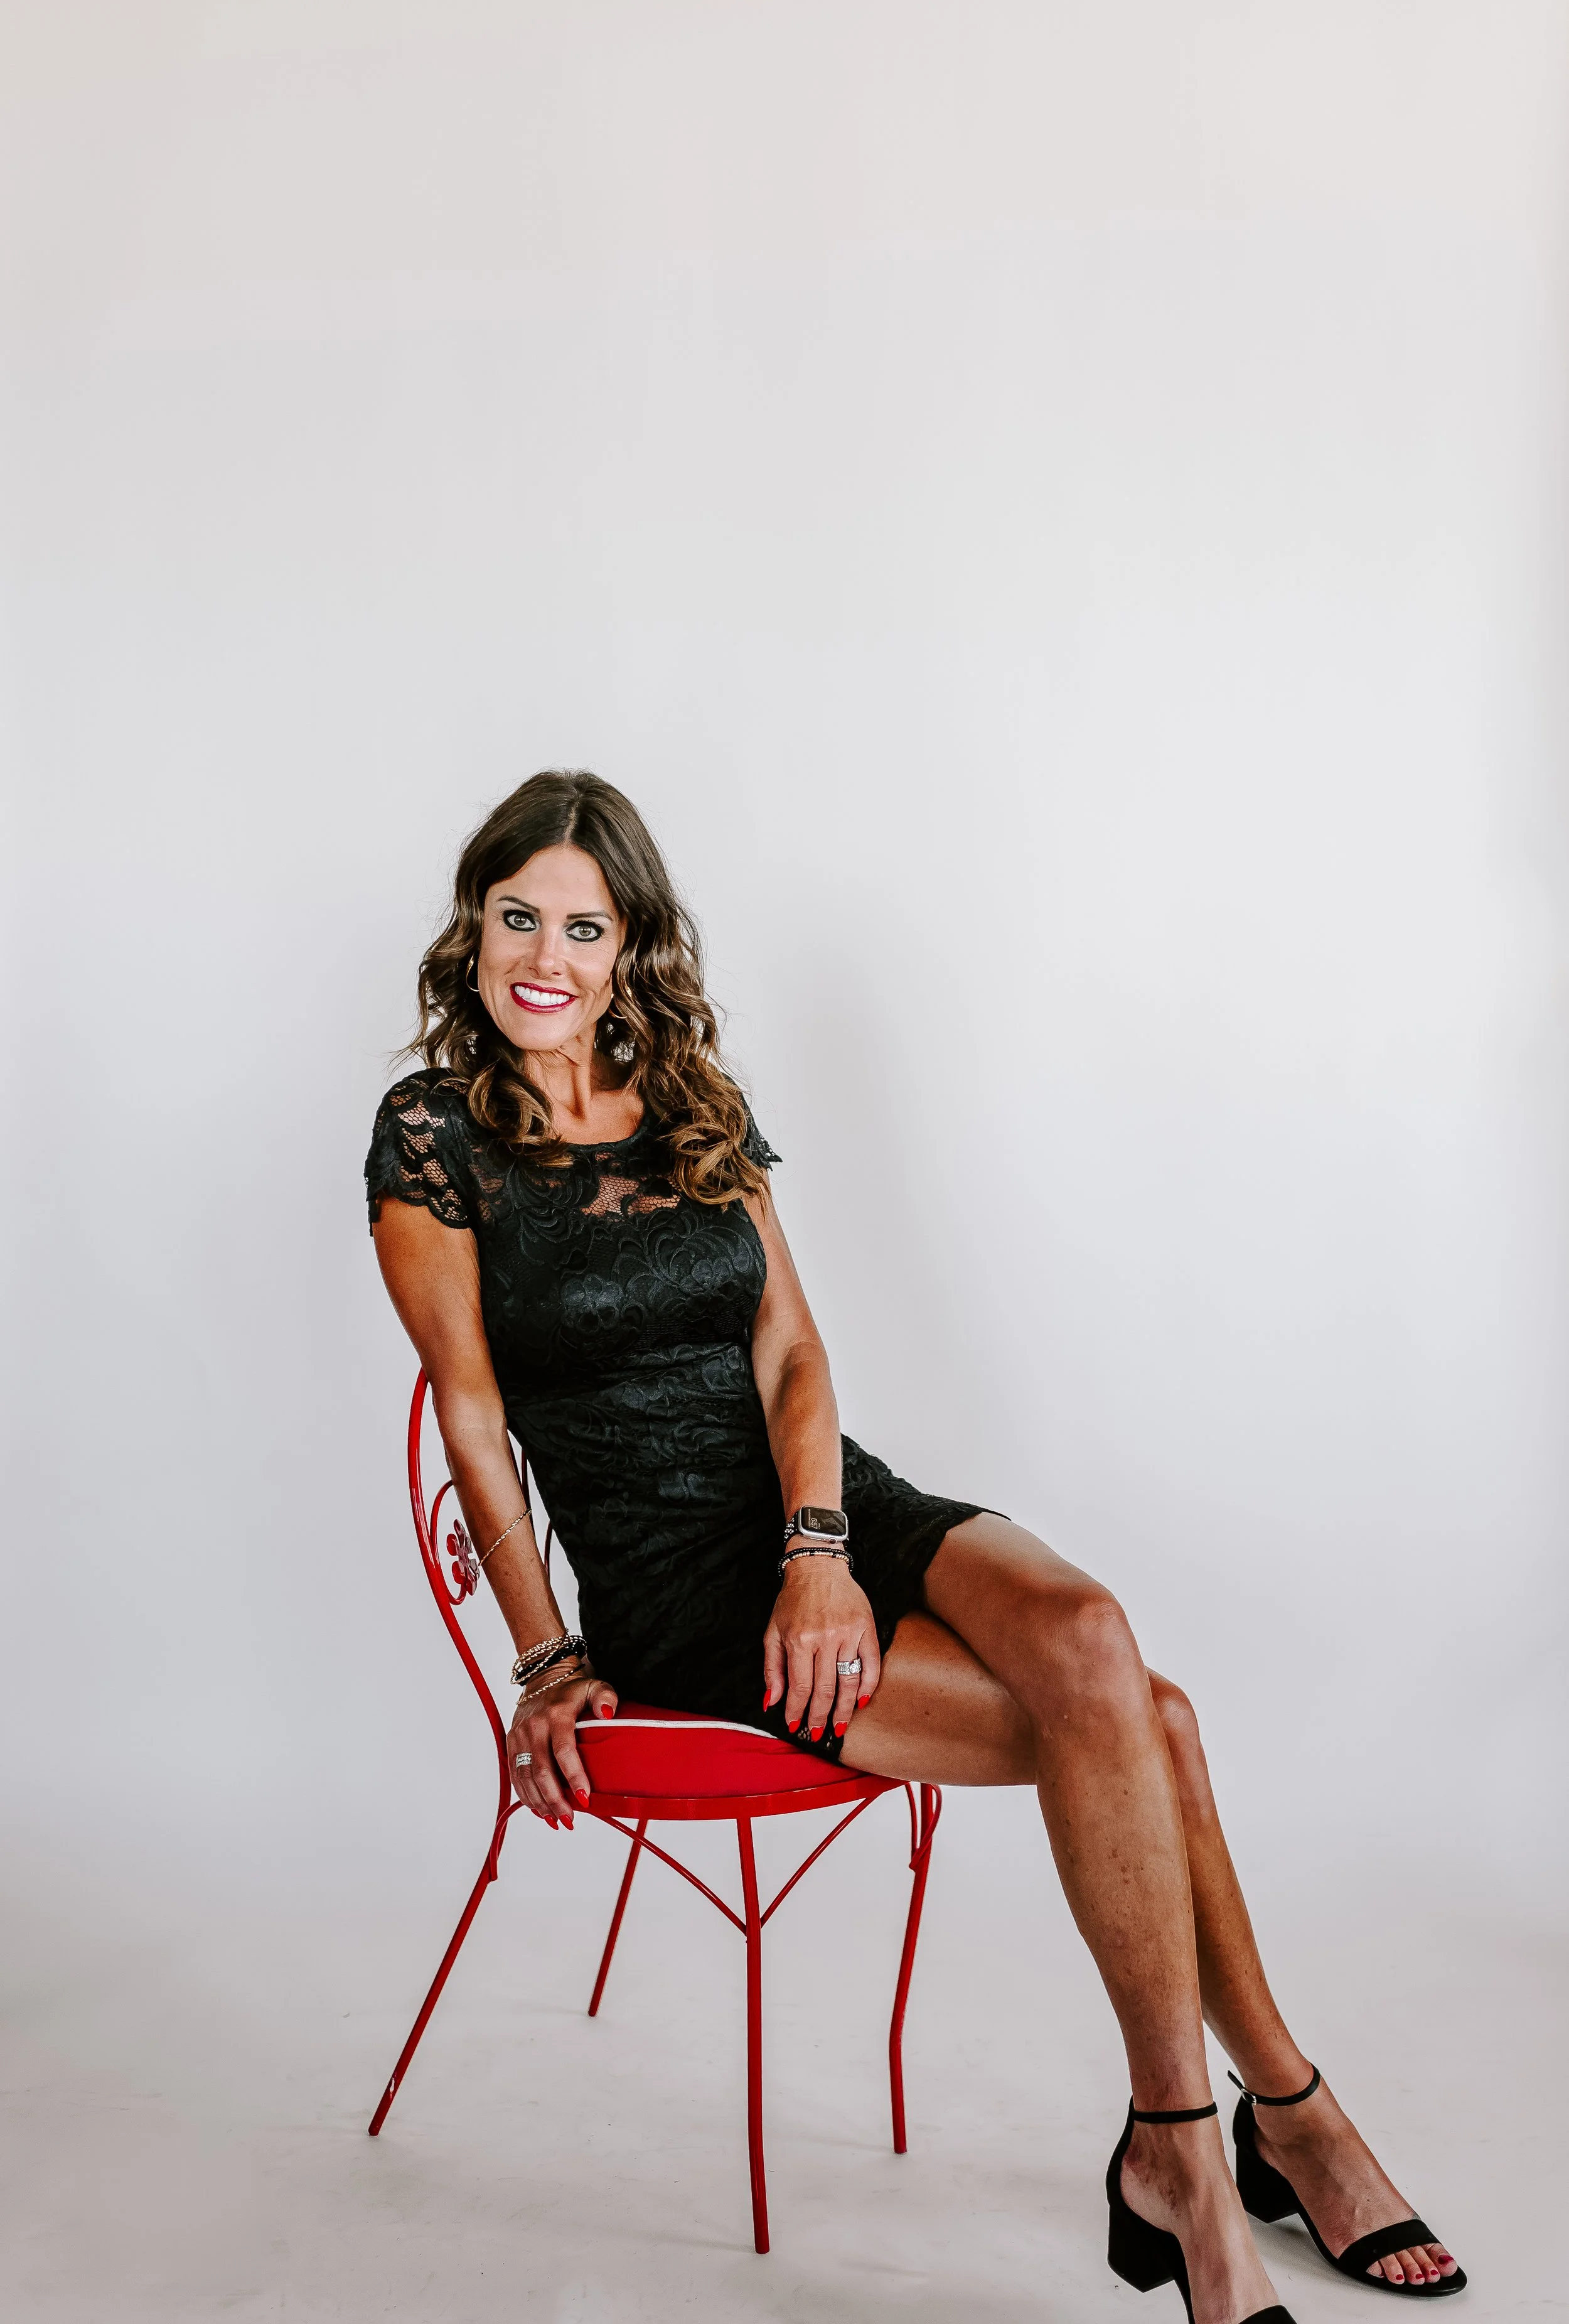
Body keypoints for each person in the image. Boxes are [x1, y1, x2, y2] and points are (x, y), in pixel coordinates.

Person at [367, 771, 1464, 2324]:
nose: (545, 952)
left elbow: (793, 1355)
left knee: (1090, 1631)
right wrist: (545, 1658)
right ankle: (1233, 2148)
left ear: (629, 946)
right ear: (475, 927)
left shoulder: (687, 1093)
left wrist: (820, 1542)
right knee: (1145, 1726)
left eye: (583, 924)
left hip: (820, 1509)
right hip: (681, 1584)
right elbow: (473, 1419)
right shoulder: (431, 1134)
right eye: (517, 915)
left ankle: (1200, 2137)